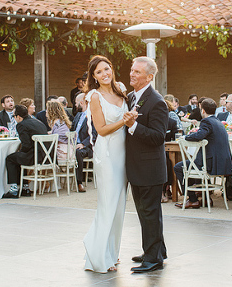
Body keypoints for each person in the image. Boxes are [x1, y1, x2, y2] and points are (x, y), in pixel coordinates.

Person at [81, 55, 131, 273]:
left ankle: (112, 252)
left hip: (124, 152)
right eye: (99, 72)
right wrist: (124, 121)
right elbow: (100, 129)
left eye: (107, 69)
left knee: (120, 204)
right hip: (107, 152)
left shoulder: (120, 89)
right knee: (108, 203)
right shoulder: (94, 97)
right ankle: (98, 255)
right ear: (93, 76)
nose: (105, 74)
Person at [122, 56, 169, 273]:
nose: (132, 74)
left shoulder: (157, 101)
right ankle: (155, 250)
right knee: (144, 212)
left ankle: (153, 259)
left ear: (149, 76)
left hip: (150, 168)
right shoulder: (131, 97)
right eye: (132, 70)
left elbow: (158, 137)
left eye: (137, 72)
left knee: (150, 212)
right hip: (136, 166)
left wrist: (133, 126)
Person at [176, 98, 232, 209]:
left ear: (203, 110)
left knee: (179, 167)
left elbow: (199, 136)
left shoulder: (206, 121)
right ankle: (206, 198)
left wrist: (186, 137)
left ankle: (192, 199)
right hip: (221, 162)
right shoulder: (218, 122)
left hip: (211, 163)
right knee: (195, 163)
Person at [3, 98, 49, 199]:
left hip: (35, 157)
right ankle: (25, 188)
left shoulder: (21, 125)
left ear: (18, 117)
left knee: (11, 159)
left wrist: (20, 152)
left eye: (14, 116)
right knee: (19, 157)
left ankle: (14, 189)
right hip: (46, 157)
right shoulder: (38, 122)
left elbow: (26, 145)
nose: (14, 118)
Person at [71, 93, 96, 193]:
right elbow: (72, 129)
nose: (76, 105)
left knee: (78, 152)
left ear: (82, 102)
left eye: (76, 103)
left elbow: (94, 133)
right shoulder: (77, 115)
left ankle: (79, 182)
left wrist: (83, 144)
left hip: (87, 147)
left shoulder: (92, 115)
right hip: (73, 144)